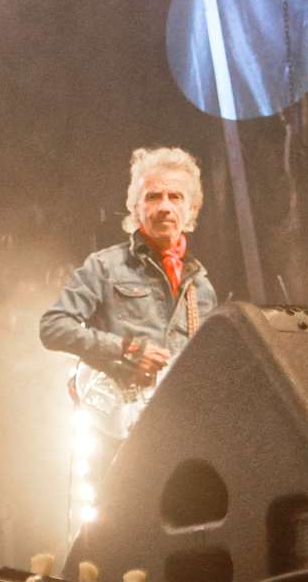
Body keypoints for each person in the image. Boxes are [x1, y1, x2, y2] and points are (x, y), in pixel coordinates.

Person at [39, 146, 218, 433]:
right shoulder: (105, 266)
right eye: (153, 196)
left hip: (177, 432)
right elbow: (53, 326)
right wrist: (125, 349)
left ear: (192, 209)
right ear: (136, 208)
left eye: (175, 197)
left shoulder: (202, 288)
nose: (164, 207)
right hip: (112, 432)